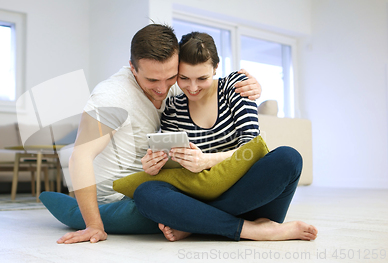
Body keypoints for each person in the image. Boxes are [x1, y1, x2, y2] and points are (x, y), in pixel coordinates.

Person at [42, 24, 262, 244]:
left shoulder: (178, 84)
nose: (163, 88)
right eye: (152, 80)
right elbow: (80, 156)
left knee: (199, 191)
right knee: (166, 204)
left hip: (154, 184)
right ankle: (248, 228)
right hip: (117, 199)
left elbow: (202, 80)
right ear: (132, 67)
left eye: (172, 77)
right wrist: (93, 225)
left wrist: (250, 86)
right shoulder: (110, 98)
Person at [134, 32, 318, 242]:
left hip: (249, 195)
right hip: (206, 195)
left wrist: (206, 161)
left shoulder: (235, 87)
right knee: (146, 192)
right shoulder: (173, 108)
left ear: (216, 67)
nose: (192, 88)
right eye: (184, 78)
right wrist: (154, 165)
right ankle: (254, 230)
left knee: (289, 158)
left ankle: (197, 224)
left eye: (202, 78)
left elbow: (252, 150)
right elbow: (172, 163)